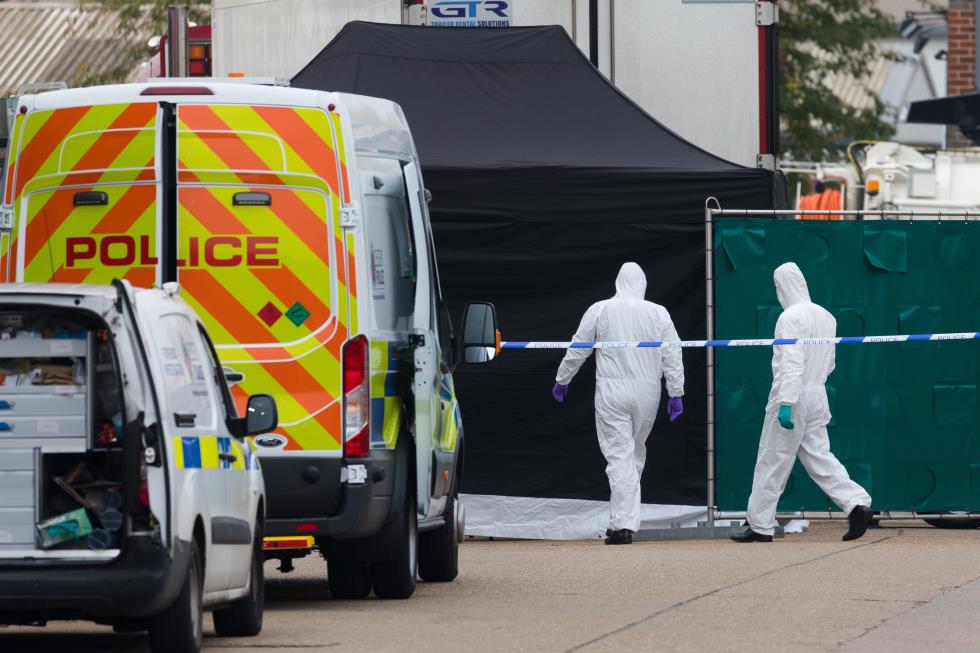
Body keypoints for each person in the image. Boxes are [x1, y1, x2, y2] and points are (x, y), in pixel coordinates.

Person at [731, 262, 873, 544]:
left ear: (783, 286)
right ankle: (856, 504)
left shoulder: (790, 317)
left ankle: (760, 525)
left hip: (792, 394)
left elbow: (792, 361)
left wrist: (787, 401)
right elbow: (830, 362)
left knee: (772, 458)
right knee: (819, 455)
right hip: (817, 393)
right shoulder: (826, 316)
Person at [552, 262, 685, 545]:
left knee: (621, 457)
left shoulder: (600, 309)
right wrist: (676, 393)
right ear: (643, 283)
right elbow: (673, 355)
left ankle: (623, 525)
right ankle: (620, 521)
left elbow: (579, 347)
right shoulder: (659, 313)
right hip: (649, 393)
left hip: (613, 392)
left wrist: (563, 379)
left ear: (617, 282)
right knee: (633, 454)